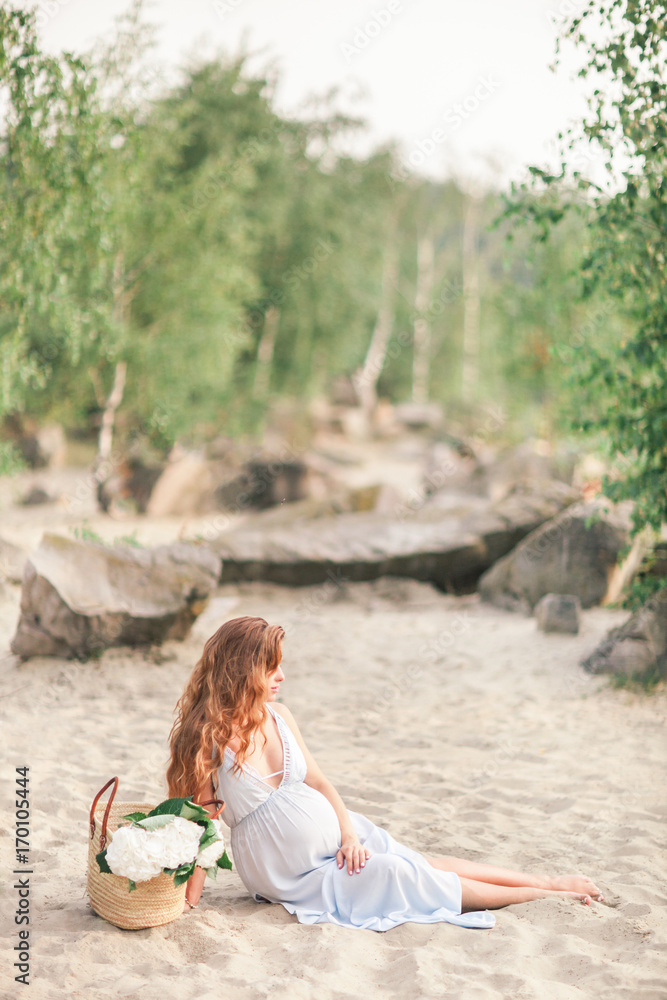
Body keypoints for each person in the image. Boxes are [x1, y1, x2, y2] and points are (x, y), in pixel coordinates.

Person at [166, 616, 603, 932]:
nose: (282, 675)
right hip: (292, 874)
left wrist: (350, 836)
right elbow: (200, 826)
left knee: (416, 861)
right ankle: (543, 897)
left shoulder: (278, 715)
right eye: (271, 667)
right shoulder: (206, 741)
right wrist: (190, 898)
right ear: (242, 670)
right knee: (399, 873)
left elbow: (318, 782)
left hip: (342, 837)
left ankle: (543, 880)